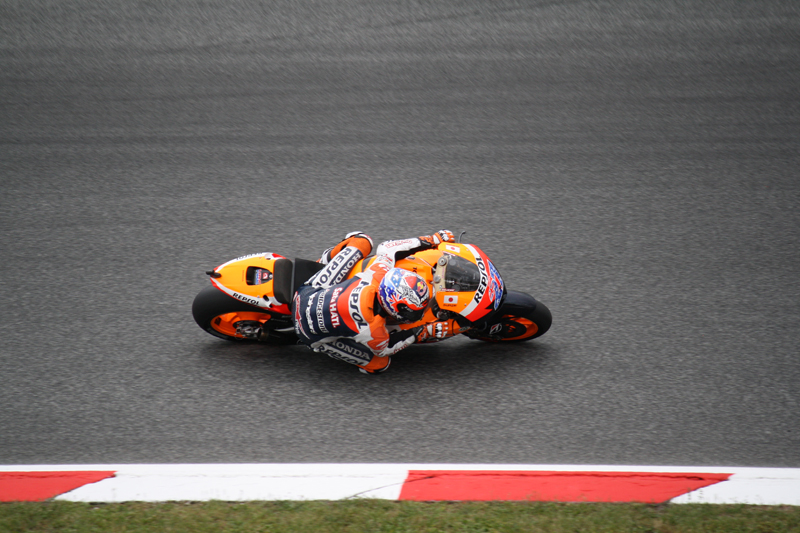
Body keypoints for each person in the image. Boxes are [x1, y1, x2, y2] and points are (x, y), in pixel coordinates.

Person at [292, 230, 455, 373]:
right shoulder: (374, 330)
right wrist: (422, 332)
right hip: (308, 333)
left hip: (307, 293)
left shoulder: (378, 275)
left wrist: (432, 239)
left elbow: (387, 248)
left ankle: (324, 262)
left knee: (362, 240)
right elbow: (386, 349)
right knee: (380, 365)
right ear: (394, 308)